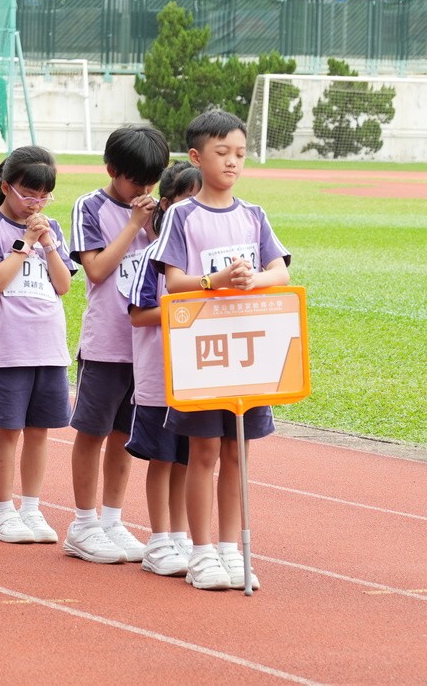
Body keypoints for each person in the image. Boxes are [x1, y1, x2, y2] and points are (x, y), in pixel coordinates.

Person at [153, 110, 289, 591]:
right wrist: (215, 281)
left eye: (240, 154)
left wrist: (256, 279)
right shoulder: (182, 216)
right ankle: (202, 551)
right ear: (196, 157)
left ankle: (231, 549)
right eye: (222, 152)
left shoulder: (254, 215)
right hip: (202, 350)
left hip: (246, 350)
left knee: (236, 451)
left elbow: (281, 272)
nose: (232, 162)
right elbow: (173, 283)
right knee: (204, 450)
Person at [64, 124, 169, 566]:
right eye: (135, 182)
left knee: (125, 436)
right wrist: (133, 225)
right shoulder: (90, 207)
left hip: (145, 346)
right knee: (93, 432)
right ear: (111, 170)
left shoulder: (161, 211)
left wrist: (154, 225)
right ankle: (83, 523)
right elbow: (96, 270)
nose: (143, 191)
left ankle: (111, 519)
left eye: (151, 182)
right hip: (106, 343)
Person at [0, 146, 75, 547]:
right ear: (6, 187)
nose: (36, 204)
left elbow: (63, 285)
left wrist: (48, 244)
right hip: (10, 347)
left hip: (49, 344)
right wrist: (25, 242)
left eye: (44, 196)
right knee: (9, 429)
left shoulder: (53, 228)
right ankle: (3, 509)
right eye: (29, 195)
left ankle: (31, 507)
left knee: (39, 431)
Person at [123, 160, 202, 579]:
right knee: (162, 457)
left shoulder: (204, 261)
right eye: (190, 199)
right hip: (158, 376)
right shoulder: (152, 256)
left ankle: (181, 535)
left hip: (197, 374)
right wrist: (187, 309)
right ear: (167, 204)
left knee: (187, 459)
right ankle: (158, 540)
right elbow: (138, 315)